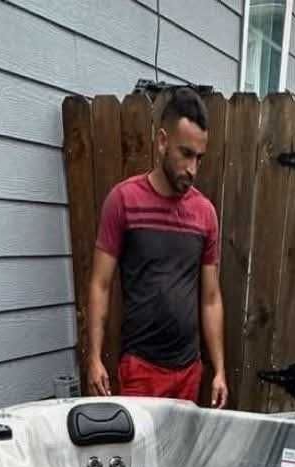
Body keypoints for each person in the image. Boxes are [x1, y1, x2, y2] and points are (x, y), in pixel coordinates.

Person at [86, 88, 227, 407]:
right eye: (186, 154)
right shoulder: (123, 201)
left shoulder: (205, 214)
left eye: (199, 158)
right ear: (162, 141)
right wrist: (93, 357)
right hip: (140, 369)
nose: (193, 168)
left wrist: (218, 369)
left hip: (188, 369)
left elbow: (211, 298)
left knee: (178, 456)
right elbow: (100, 283)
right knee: (139, 454)